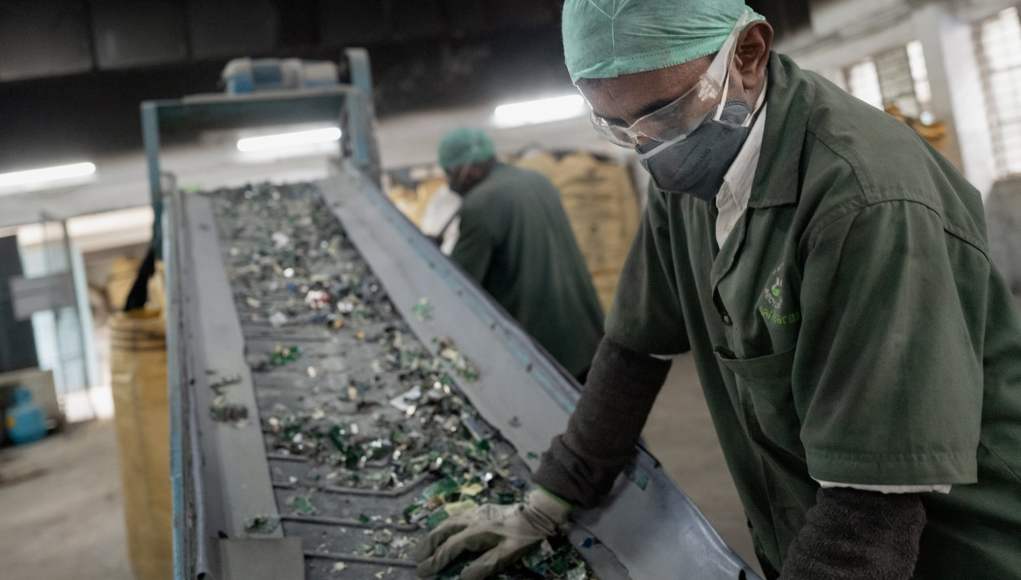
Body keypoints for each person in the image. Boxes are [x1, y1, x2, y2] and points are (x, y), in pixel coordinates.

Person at [417, 2, 1021, 579]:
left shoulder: (866, 204)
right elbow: (634, 350)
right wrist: (548, 501)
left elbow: (872, 507)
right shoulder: (686, 172)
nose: (650, 151)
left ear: (749, 52)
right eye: (618, 127)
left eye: (662, 114)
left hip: (954, 552)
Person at [436, 128, 604, 383]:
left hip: (543, 347)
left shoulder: (480, 204)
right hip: (585, 332)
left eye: (449, 173)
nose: (450, 183)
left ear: (468, 168)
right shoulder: (536, 180)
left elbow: (460, 284)